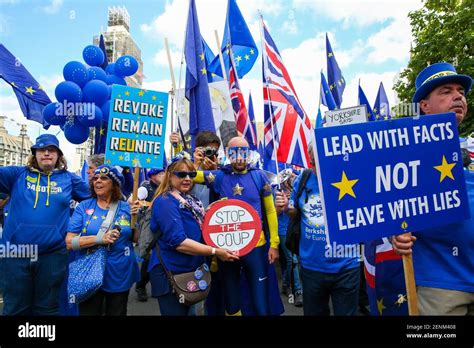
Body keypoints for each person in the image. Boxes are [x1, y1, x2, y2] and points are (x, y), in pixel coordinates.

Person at [392, 62, 473, 315]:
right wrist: (396, 234)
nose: (458, 96)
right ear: (425, 106)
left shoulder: (468, 148)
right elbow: (387, 208)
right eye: (446, 91)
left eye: (460, 90)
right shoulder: (406, 157)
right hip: (442, 284)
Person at [0, 134, 90, 315]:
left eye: (51, 150)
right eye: (41, 150)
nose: (47, 153)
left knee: (47, 308)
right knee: (15, 307)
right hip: (15, 252)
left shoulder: (69, 179)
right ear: (35, 154)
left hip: (52, 254)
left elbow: (99, 195)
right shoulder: (17, 174)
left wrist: (125, 204)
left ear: (59, 155)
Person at [194, 136, 280, 315]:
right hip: (228, 250)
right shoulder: (219, 176)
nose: (240, 158)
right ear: (227, 153)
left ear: (249, 154)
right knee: (232, 305)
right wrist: (196, 161)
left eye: (244, 153)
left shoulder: (259, 176)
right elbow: (188, 176)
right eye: (234, 153)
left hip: (256, 247)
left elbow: (271, 211)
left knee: (261, 304)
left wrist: (274, 244)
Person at [148, 155, 239, 315]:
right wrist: (215, 251)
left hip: (190, 271)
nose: (187, 178)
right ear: (169, 175)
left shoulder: (190, 200)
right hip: (171, 273)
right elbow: (179, 242)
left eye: (191, 174)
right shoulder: (165, 201)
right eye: (181, 174)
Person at [279, 145, 360, 316]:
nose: (316, 168)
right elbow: (295, 209)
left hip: (346, 266)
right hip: (311, 267)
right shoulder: (304, 177)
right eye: (312, 162)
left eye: (320, 162)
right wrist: (286, 207)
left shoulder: (351, 173)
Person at [66, 165, 140, 315]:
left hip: (119, 272)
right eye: (95, 178)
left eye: (104, 178)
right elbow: (69, 242)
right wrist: (100, 238)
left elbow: (135, 238)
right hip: (89, 271)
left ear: (114, 184)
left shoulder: (127, 207)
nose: (98, 181)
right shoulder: (83, 207)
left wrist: (136, 218)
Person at [135, 167, 166, 302]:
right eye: (160, 173)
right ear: (152, 176)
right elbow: (137, 203)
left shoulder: (165, 187)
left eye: (164, 173)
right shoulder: (145, 187)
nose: (163, 175)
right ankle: (141, 286)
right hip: (148, 226)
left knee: (160, 257)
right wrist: (155, 204)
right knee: (148, 258)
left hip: (162, 225)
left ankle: (157, 286)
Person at [276, 174, 303, 307]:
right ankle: (298, 291)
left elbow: (299, 211)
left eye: (290, 180)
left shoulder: (295, 192)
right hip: (282, 230)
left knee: (293, 260)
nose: (289, 181)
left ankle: (286, 284)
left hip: (294, 230)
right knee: (292, 260)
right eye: (287, 180)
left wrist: (291, 200)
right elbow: (274, 213)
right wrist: (282, 204)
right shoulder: (277, 194)